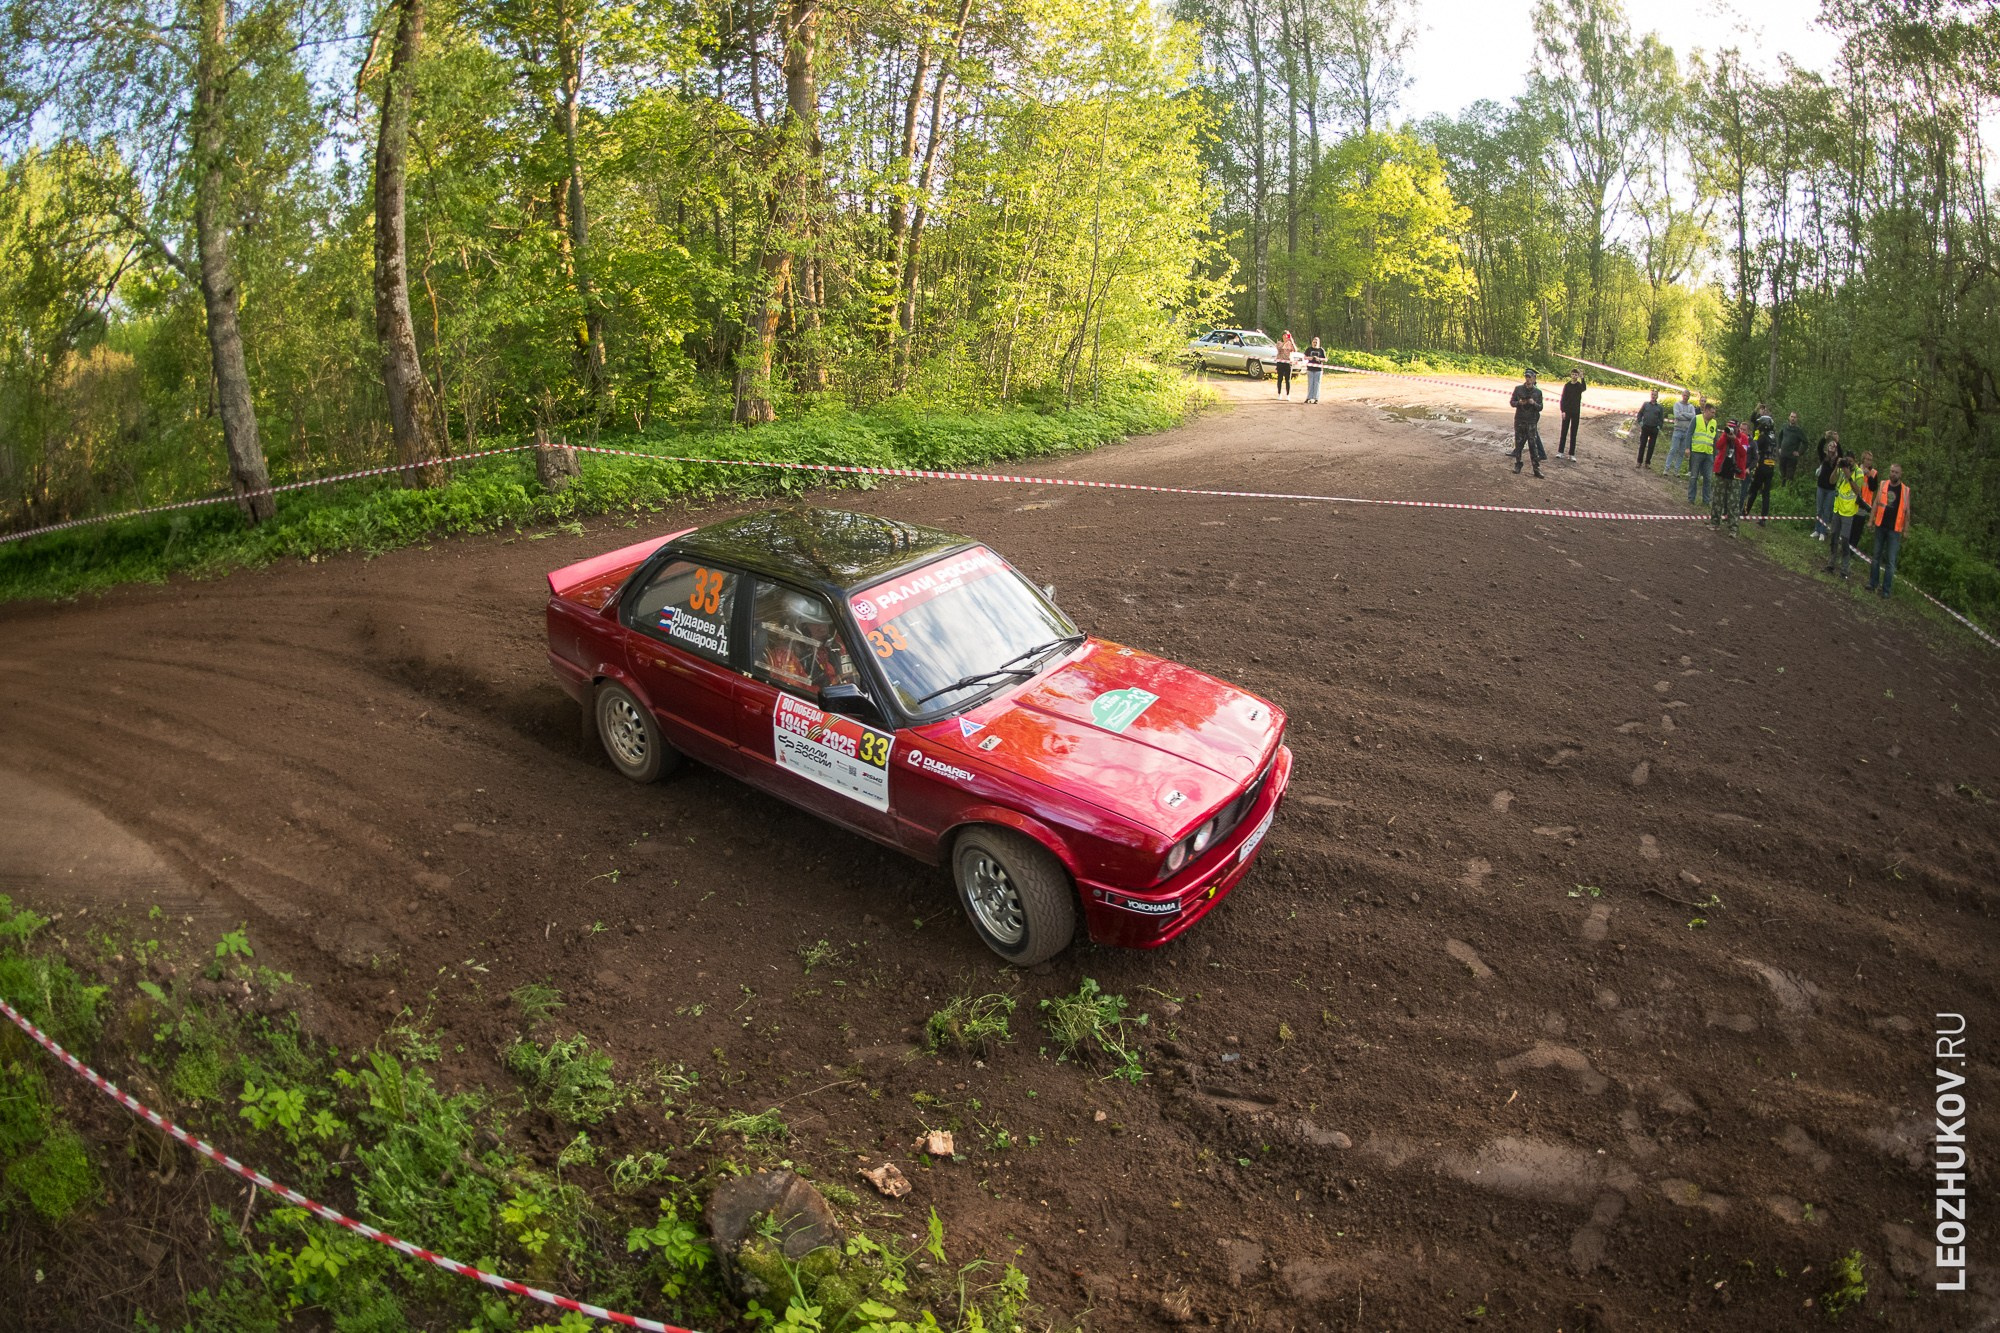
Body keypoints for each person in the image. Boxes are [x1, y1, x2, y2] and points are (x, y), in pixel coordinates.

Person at [1864, 463, 1910, 597]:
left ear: (1900, 474)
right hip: (1880, 525)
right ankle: (1872, 583)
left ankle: (1886, 590)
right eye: (1892, 471)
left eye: (1896, 472)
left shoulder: (1905, 490)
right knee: (1876, 556)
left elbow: (1907, 512)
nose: (1893, 474)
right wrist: (1871, 520)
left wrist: (1906, 530)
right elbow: (1876, 504)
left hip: (1894, 530)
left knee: (1890, 561)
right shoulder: (1883, 484)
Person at [1823, 454, 1864, 579]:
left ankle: (1845, 570)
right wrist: (1837, 467)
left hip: (1849, 511)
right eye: (1847, 462)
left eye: (1850, 462)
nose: (1848, 464)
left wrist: (1848, 475)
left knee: (1845, 539)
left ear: (1855, 462)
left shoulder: (1859, 473)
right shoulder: (1841, 468)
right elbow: (1831, 481)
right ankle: (1831, 563)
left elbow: (1857, 491)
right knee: (1834, 536)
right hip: (1838, 508)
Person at [1710, 419, 1749, 535]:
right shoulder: (1724, 435)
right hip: (1722, 471)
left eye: (1733, 427)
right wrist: (1725, 436)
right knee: (1717, 499)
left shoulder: (1744, 438)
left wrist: (1735, 440)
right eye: (1729, 427)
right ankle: (1715, 522)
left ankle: (1733, 528)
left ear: (1737, 428)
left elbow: (1743, 453)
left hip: (1735, 474)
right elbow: (1718, 446)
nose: (1730, 429)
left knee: (1733, 502)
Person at [1742, 403, 1778, 525]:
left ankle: (1745, 512)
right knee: (1766, 493)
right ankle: (1763, 518)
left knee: (1753, 489)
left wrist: (1753, 438)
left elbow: (1754, 446)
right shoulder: (1773, 438)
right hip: (1771, 467)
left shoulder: (1763, 438)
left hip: (1762, 466)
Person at [1510, 368, 1546, 478]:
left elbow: (1540, 407)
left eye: (1530, 377)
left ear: (1534, 378)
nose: (1528, 379)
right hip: (1520, 419)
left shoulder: (1538, 392)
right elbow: (1512, 402)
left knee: (1533, 446)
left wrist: (1533, 403)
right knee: (1519, 444)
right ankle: (1518, 464)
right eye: (1526, 377)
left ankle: (1536, 468)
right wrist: (1519, 403)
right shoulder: (1518, 389)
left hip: (1531, 421)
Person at [1687, 402, 1719, 507]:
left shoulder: (1714, 423)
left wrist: (1715, 454)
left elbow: (1715, 439)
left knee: (1708, 478)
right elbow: (1689, 434)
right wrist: (1688, 448)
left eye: (1714, 413)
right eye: (1712, 412)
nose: (1713, 414)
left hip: (1708, 453)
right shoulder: (1696, 419)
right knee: (1694, 476)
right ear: (1705, 411)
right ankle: (1691, 498)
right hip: (1696, 452)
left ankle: (1706, 501)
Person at [1662, 388, 1697, 477]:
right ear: (1682, 395)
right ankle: (1666, 469)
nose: (1685, 397)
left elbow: (1693, 417)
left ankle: (1676, 471)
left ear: (1689, 397)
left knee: (1681, 452)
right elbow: (1677, 415)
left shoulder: (1691, 407)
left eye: (1687, 396)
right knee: (1673, 449)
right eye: (1684, 395)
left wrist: (1683, 413)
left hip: (1687, 431)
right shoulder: (1677, 404)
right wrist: (1686, 415)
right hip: (1678, 429)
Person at [1813, 434, 1841, 540]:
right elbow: (1819, 447)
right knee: (1819, 509)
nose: (1831, 447)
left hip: (1831, 489)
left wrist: (1837, 441)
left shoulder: (1837, 460)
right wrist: (1825, 437)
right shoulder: (1823, 457)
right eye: (1830, 445)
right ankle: (1816, 529)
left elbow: (1841, 453)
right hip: (1821, 487)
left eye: (1834, 446)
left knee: (1827, 511)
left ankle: (1823, 532)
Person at [1557, 368, 1586, 457]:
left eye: (1576, 375)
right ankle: (1560, 452)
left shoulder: (1579, 386)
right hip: (1567, 412)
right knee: (1564, 432)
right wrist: (1563, 411)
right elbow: (1563, 399)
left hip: (1576, 412)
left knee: (1574, 433)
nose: (1574, 376)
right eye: (1573, 374)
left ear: (1577, 376)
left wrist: (1582, 378)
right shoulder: (1567, 385)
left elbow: (1584, 388)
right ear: (1571, 375)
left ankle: (1571, 454)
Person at [1635, 389, 1664, 469]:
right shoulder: (1646, 404)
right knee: (1642, 445)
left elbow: (1661, 419)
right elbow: (1640, 414)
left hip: (1654, 429)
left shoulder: (1660, 407)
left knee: (1651, 447)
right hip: (1645, 427)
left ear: (1657, 396)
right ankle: (1639, 462)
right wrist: (1640, 422)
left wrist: (1659, 427)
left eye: (1655, 395)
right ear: (1650, 395)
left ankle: (1647, 463)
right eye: (1652, 395)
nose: (1653, 396)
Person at [1777, 411, 1808, 482]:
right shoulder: (1784, 427)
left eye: (1794, 417)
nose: (1793, 418)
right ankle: (1782, 490)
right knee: (1782, 475)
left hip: (1792, 458)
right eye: (1791, 417)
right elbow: (1779, 437)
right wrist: (1779, 448)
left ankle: (1789, 491)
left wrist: (1799, 452)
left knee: (1789, 477)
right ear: (1789, 417)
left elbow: (1805, 443)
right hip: (1783, 456)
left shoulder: (1798, 431)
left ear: (1797, 419)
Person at [1274, 331, 1297, 399]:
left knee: (1288, 379)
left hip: (1288, 363)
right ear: (1282, 336)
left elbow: (1295, 350)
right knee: (1280, 379)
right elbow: (1279, 349)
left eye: (1287, 335)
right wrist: (1285, 342)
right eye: (1284, 335)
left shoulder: (1290, 343)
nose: (1286, 337)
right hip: (1280, 362)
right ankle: (1279, 393)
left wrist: (1291, 341)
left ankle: (1288, 394)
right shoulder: (1279, 342)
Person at [1303, 337, 1326, 403]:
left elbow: (1325, 359)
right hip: (1310, 369)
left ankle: (1316, 398)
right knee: (1310, 383)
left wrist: (1319, 359)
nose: (1315, 344)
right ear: (1312, 342)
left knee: (1317, 383)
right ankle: (1309, 397)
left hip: (1318, 369)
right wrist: (1310, 358)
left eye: (1316, 342)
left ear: (1318, 343)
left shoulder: (1321, 350)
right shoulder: (1309, 349)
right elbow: (1304, 357)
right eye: (1314, 342)